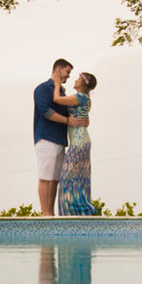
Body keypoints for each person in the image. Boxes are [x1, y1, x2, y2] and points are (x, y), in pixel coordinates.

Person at [33, 59, 74, 216]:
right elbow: (46, 111)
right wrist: (68, 120)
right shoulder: (42, 88)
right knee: (45, 177)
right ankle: (45, 214)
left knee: (55, 179)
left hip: (60, 140)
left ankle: (51, 214)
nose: (68, 76)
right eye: (67, 72)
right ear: (58, 69)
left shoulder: (62, 92)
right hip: (46, 138)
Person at [57, 71, 97, 215]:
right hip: (81, 140)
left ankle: (78, 212)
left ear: (83, 83)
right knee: (79, 178)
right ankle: (82, 212)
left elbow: (56, 99)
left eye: (78, 78)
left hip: (79, 142)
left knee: (67, 178)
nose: (75, 80)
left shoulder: (79, 97)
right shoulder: (85, 98)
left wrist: (56, 82)